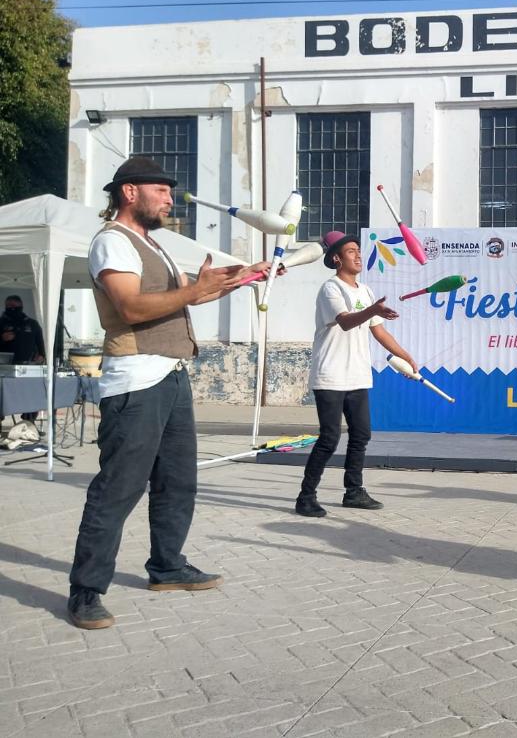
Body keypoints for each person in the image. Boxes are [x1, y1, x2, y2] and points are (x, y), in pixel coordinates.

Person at [67, 157, 272, 630]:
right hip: (134, 381)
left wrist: (246, 276)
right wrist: (194, 291)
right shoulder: (112, 243)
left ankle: (166, 567)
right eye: (160, 189)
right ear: (129, 192)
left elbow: (192, 291)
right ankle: (85, 590)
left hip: (171, 375)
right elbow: (132, 306)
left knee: (178, 481)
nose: (168, 197)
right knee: (118, 489)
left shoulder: (150, 245)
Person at [294, 230, 417, 517]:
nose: (358, 255)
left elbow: (377, 329)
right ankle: (306, 496)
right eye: (351, 251)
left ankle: (353, 491)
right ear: (336, 258)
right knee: (329, 438)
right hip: (331, 375)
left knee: (361, 435)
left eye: (359, 250)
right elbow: (346, 322)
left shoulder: (365, 291)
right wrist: (373, 309)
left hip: (358, 375)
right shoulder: (331, 289)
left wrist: (405, 355)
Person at [1, 295, 47, 423]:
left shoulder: (31, 323)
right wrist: (2, 339)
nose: (11, 309)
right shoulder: (1, 323)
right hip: (4, 370)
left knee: (31, 394)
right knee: (3, 396)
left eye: (14, 307)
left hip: (27, 367)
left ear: (21, 307)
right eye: (9, 307)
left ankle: (28, 424)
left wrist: (42, 355)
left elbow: (41, 342)